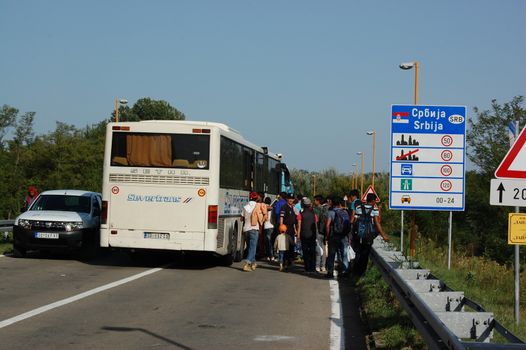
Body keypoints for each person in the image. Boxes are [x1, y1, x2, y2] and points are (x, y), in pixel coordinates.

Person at [352, 193, 390, 278]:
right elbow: (377, 223)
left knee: (358, 253)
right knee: (365, 255)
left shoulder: (358, 207)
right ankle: (361, 273)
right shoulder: (374, 209)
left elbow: (354, 221)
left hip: (358, 235)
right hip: (368, 236)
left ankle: (355, 272)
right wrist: (383, 235)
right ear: (373, 201)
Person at [325, 196, 351, 278]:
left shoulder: (331, 212)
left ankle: (330, 272)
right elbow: (348, 225)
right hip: (343, 237)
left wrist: (328, 235)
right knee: (343, 254)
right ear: (340, 203)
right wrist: (348, 237)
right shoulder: (345, 212)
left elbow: (327, 225)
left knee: (331, 255)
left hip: (333, 236)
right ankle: (344, 271)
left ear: (333, 203)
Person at [296, 197, 318, 274]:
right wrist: (316, 236)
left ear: (303, 205)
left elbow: (299, 226)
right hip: (312, 235)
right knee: (312, 251)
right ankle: (313, 268)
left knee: (305, 251)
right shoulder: (314, 215)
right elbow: (315, 226)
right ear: (309, 205)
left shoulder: (300, 214)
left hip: (304, 235)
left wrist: (298, 236)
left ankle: (307, 268)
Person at [242, 191, 261, 272]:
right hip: (254, 228)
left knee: (250, 247)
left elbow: (241, 218)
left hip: (246, 229)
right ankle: (247, 264)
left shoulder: (245, 206)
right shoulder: (258, 206)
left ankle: (253, 264)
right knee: (253, 247)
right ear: (257, 198)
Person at [280, 193, 297, 266]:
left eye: (292, 199)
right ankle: (284, 260)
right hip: (285, 227)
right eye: (289, 198)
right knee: (285, 245)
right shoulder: (284, 207)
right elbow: (281, 217)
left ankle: (291, 259)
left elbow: (294, 221)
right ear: (287, 199)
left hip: (292, 228)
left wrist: (295, 230)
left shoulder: (293, 207)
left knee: (291, 244)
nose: (291, 200)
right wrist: (281, 227)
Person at [313, 195, 328, 272]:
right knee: (324, 249)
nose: (314, 202)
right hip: (325, 231)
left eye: (315, 200)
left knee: (318, 249)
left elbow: (315, 221)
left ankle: (317, 266)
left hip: (318, 231)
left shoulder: (315, 209)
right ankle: (323, 266)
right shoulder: (325, 209)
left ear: (318, 201)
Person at [262, 196, 275, 261]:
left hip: (266, 226)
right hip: (272, 226)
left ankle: (270, 255)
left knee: (268, 242)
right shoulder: (271, 207)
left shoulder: (264, 207)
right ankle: (270, 255)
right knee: (270, 242)